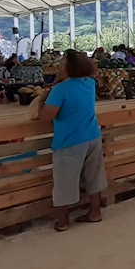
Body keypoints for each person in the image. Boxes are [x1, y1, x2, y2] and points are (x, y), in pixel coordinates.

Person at [39, 50, 107, 232]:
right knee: (94, 176)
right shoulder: (90, 83)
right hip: (92, 136)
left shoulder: (60, 89)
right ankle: (95, 212)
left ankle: (63, 222)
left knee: (65, 182)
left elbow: (46, 116)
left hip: (69, 141)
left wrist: (48, 92)